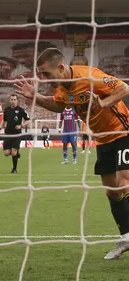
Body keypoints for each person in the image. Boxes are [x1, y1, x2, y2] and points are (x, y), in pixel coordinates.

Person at [14, 47, 129, 260]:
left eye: (47, 74)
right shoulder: (61, 88)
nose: (45, 79)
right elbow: (57, 106)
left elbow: (123, 88)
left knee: (124, 182)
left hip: (123, 131)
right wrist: (35, 96)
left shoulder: (90, 76)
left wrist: (102, 103)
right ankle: (126, 237)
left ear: (60, 67)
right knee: (112, 192)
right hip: (102, 139)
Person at [1, 94, 30, 173]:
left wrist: (21, 125)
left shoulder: (21, 110)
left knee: (13, 152)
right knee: (6, 153)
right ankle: (16, 153)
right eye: (11, 99)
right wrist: (0, 127)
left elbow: (28, 120)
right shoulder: (6, 110)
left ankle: (14, 169)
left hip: (17, 134)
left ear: (17, 100)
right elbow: (4, 120)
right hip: (7, 134)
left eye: (14, 99)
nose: (13, 101)